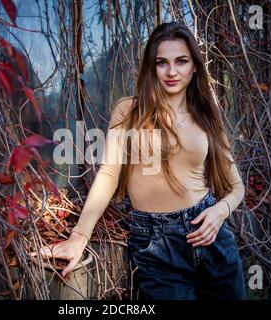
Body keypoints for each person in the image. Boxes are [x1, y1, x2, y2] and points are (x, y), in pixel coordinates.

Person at [32, 22, 247, 300]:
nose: (171, 72)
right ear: (151, 67)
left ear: (194, 66)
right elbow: (109, 173)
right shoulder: (129, 110)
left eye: (181, 61)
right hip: (156, 246)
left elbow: (236, 188)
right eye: (162, 62)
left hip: (212, 237)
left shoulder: (206, 114)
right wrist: (79, 237)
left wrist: (220, 212)